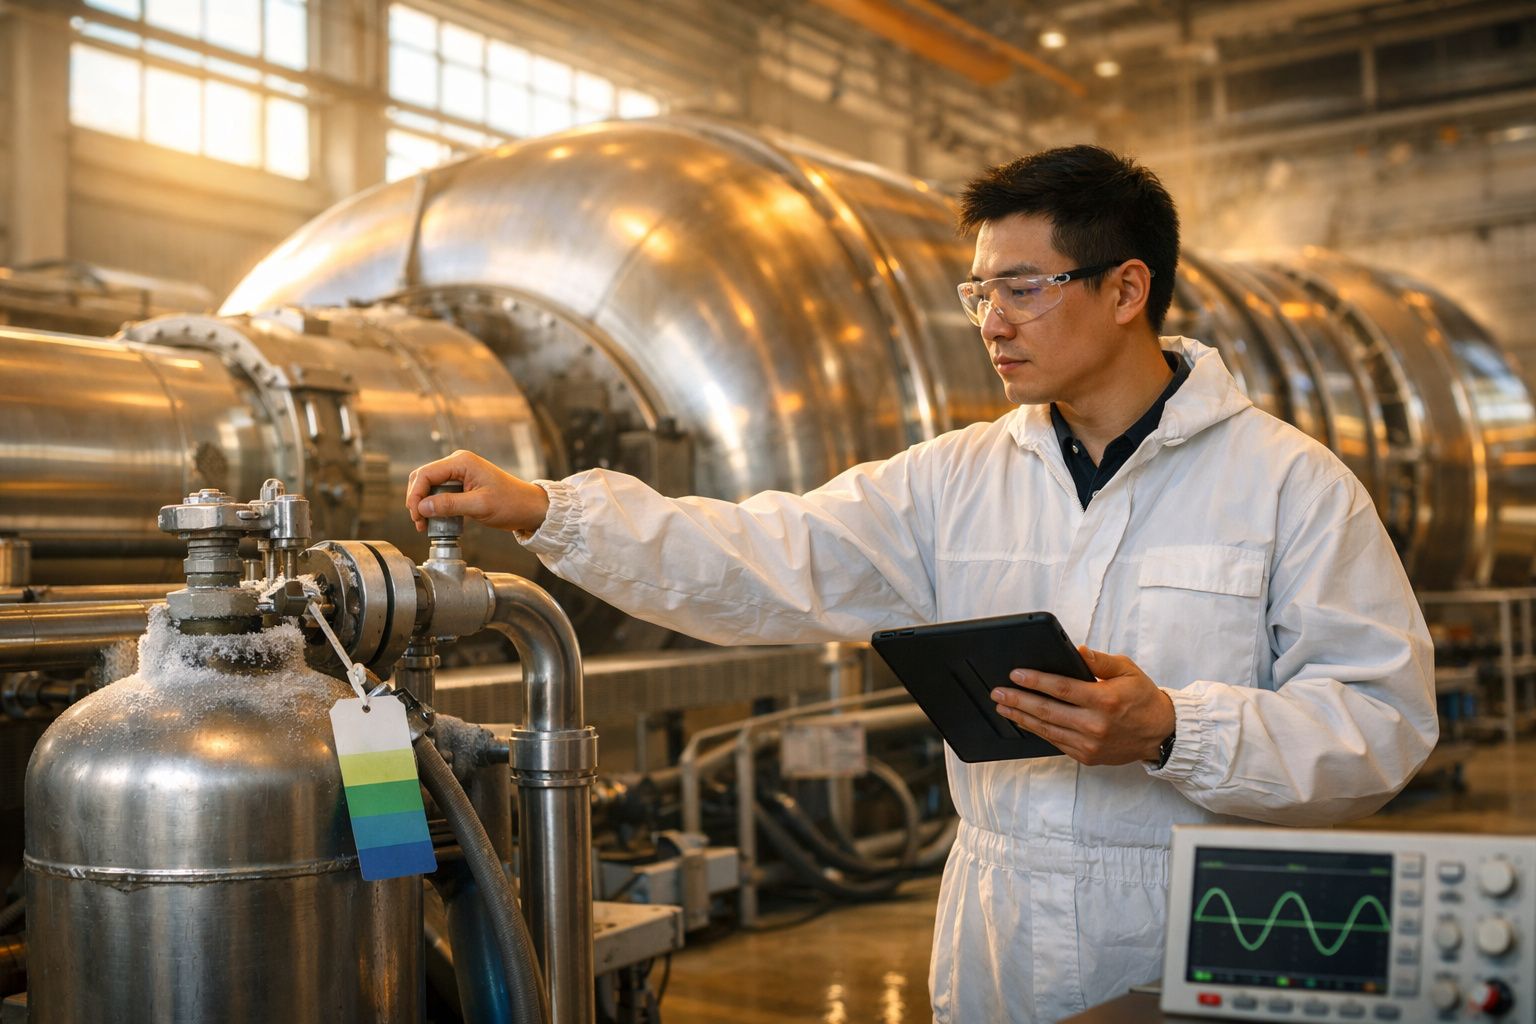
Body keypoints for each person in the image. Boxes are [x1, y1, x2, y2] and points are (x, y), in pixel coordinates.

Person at [405, 145, 1437, 1023]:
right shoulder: (957, 477)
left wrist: (1173, 730)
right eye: (980, 291)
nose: (992, 320)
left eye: (1025, 288)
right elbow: (769, 554)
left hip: (1204, 926)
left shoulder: (1288, 485)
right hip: (999, 929)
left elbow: (1380, 721)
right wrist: (549, 509)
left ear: (1127, 290)